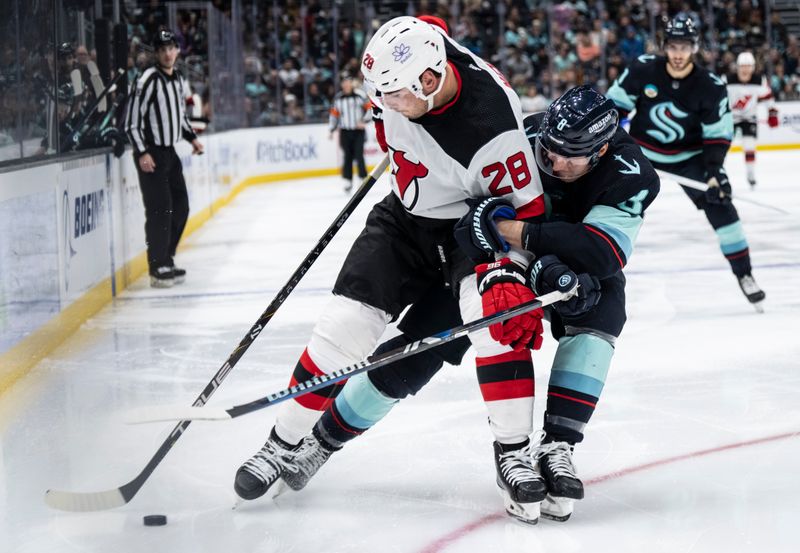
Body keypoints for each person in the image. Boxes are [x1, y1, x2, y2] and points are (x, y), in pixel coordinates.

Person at [234, 15, 579, 524]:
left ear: (431, 80)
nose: (382, 105)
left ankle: (513, 453)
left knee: (495, 328)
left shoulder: (492, 128)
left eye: (392, 95)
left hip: (471, 228)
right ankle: (281, 444)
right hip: (402, 218)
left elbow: (526, 212)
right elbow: (428, 28)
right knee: (342, 330)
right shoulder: (421, 58)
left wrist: (510, 272)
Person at [257, 86, 659, 524]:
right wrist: (503, 243)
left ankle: (557, 444)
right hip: (498, 264)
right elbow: (472, 217)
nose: (552, 162)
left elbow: (603, 252)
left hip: (564, 265)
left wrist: (522, 237)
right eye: (549, 149)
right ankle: (323, 439)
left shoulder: (630, 171)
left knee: (602, 306)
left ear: (600, 151)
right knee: (418, 349)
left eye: (568, 157)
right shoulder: (522, 136)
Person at [606, 15, 766, 310]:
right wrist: (612, 147)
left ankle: (745, 275)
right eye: (673, 46)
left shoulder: (711, 86)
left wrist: (716, 170)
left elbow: (717, 135)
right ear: (665, 46)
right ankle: (592, 273)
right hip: (642, 156)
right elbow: (613, 108)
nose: (678, 54)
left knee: (722, 207)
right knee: (610, 206)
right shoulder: (643, 69)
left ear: (694, 48)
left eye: (685, 47)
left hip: (689, 159)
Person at [125, 29, 204, 288]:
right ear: (156, 53)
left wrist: (192, 139)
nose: (167, 53)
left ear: (177, 51)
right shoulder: (147, 80)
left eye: (171, 48)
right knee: (160, 210)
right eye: (162, 50)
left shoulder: (179, 79)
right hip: (152, 153)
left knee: (180, 206)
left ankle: (167, 258)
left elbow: (179, 117)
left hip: (170, 152)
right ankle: (157, 266)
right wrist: (142, 152)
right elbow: (132, 122)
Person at [725, 51, 779, 188]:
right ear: (737, 67)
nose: (745, 69)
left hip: (749, 118)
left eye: (748, 66)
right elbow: (716, 97)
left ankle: (750, 174)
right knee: (721, 146)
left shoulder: (759, 80)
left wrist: (772, 114)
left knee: (749, 145)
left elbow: (768, 97)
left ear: (753, 67)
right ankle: (716, 172)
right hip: (730, 118)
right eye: (742, 66)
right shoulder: (727, 80)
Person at [328, 76, 371, 192]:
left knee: (358, 154)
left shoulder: (360, 95)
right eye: (344, 83)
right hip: (345, 131)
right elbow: (334, 115)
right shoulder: (338, 98)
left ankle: (362, 178)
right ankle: (348, 180)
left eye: (348, 82)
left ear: (351, 83)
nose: (346, 85)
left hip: (358, 131)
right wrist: (331, 129)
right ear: (342, 85)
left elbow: (370, 108)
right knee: (347, 156)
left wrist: (364, 120)